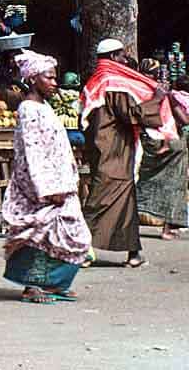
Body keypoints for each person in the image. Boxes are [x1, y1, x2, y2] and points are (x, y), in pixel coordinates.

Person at [81, 38, 189, 268]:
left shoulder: (98, 80)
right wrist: (158, 99)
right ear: (112, 57)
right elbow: (130, 114)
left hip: (111, 149)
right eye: (120, 56)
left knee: (123, 202)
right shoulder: (111, 82)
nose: (124, 61)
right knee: (102, 199)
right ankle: (81, 247)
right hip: (113, 151)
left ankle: (133, 253)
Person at [0, 50, 92, 304]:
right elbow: (33, 152)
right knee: (38, 235)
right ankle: (32, 286)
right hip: (40, 187)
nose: (54, 83)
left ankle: (55, 283)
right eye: (48, 78)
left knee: (73, 235)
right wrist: (47, 188)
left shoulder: (44, 106)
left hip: (60, 182)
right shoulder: (29, 109)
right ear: (32, 79)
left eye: (55, 78)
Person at [135, 61, 189, 242]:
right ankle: (167, 229)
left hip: (145, 141)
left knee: (139, 183)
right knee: (173, 185)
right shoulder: (162, 93)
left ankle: (129, 222)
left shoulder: (134, 90)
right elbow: (183, 119)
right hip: (171, 142)